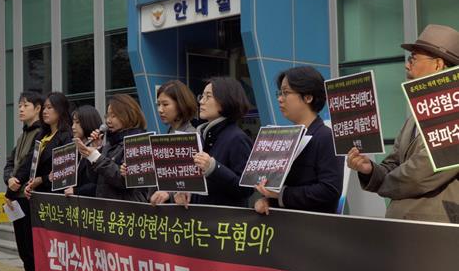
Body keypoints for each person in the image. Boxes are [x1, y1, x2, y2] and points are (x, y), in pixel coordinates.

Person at [347, 24, 459, 223]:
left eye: (413, 58)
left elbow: (421, 174)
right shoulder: (416, 116)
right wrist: (370, 170)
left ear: (438, 64)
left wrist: (381, 183)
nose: (407, 65)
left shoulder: (454, 115)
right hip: (405, 229)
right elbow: (394, 161)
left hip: (436, 234)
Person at [254, 66, 344, 215]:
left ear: (308, 97)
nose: (280, 98)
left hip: (315, 230)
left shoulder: (326, 137)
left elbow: (330, 190)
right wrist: (268, 200)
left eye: (286, 93)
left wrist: (280, 195)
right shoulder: (286, 138)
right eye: (279, 93)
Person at [23, 91, 72, 271]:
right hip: (38, 199)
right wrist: (29, 183)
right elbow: (33, 168)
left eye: (50, 107)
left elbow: (63, 172)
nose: (45, 111)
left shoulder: (65, 138)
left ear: (61, 111)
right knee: (40, 252)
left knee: (54, 254)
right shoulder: (41, 137)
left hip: (55, 202)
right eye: (45, 107)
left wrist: (43, 179)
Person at [173, 77, 254, 208]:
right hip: (202, 222)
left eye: (208, 96)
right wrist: (188, 192)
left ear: (226, 100)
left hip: (225, 224)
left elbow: (246, 189)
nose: (201, 102)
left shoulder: (237, 138)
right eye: (202, 96)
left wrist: (214, 167)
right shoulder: (204, 136)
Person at [4, 91, 44, 271]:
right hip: (16, 197)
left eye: (25, 105)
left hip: (28, 197)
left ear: (37, 108)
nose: (20, 109)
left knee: (31, 246)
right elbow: (11, 161)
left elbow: (30, 164)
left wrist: (15, 180)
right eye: (19, 105)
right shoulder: (22, 135)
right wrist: (8, 178)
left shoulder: (40, 134)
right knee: (22, 247)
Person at [75, 94, 148, 202]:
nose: (108, 121)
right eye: (107, 116)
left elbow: (124, 181)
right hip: (107, 209)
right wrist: (96, 149)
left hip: (128, 211)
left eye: (113, 116)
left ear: (129, 115)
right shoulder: (110, 143)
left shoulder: (138, 142)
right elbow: (94, 179)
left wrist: (96, 157)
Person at [149, 80, 197, 205]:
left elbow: (190, 180)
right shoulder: (169, 134)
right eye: (158, 104)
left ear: (181, 105)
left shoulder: (190, 135)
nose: (160, 110)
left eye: (165, 104)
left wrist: (168, 193)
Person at [64, 105, 103, 198]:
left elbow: (99, 184)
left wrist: (76, 191)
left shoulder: (100, 149)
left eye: (77, 122)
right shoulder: (73, 150)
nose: (73, 127)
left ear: (88, 122)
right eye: (73, 122)